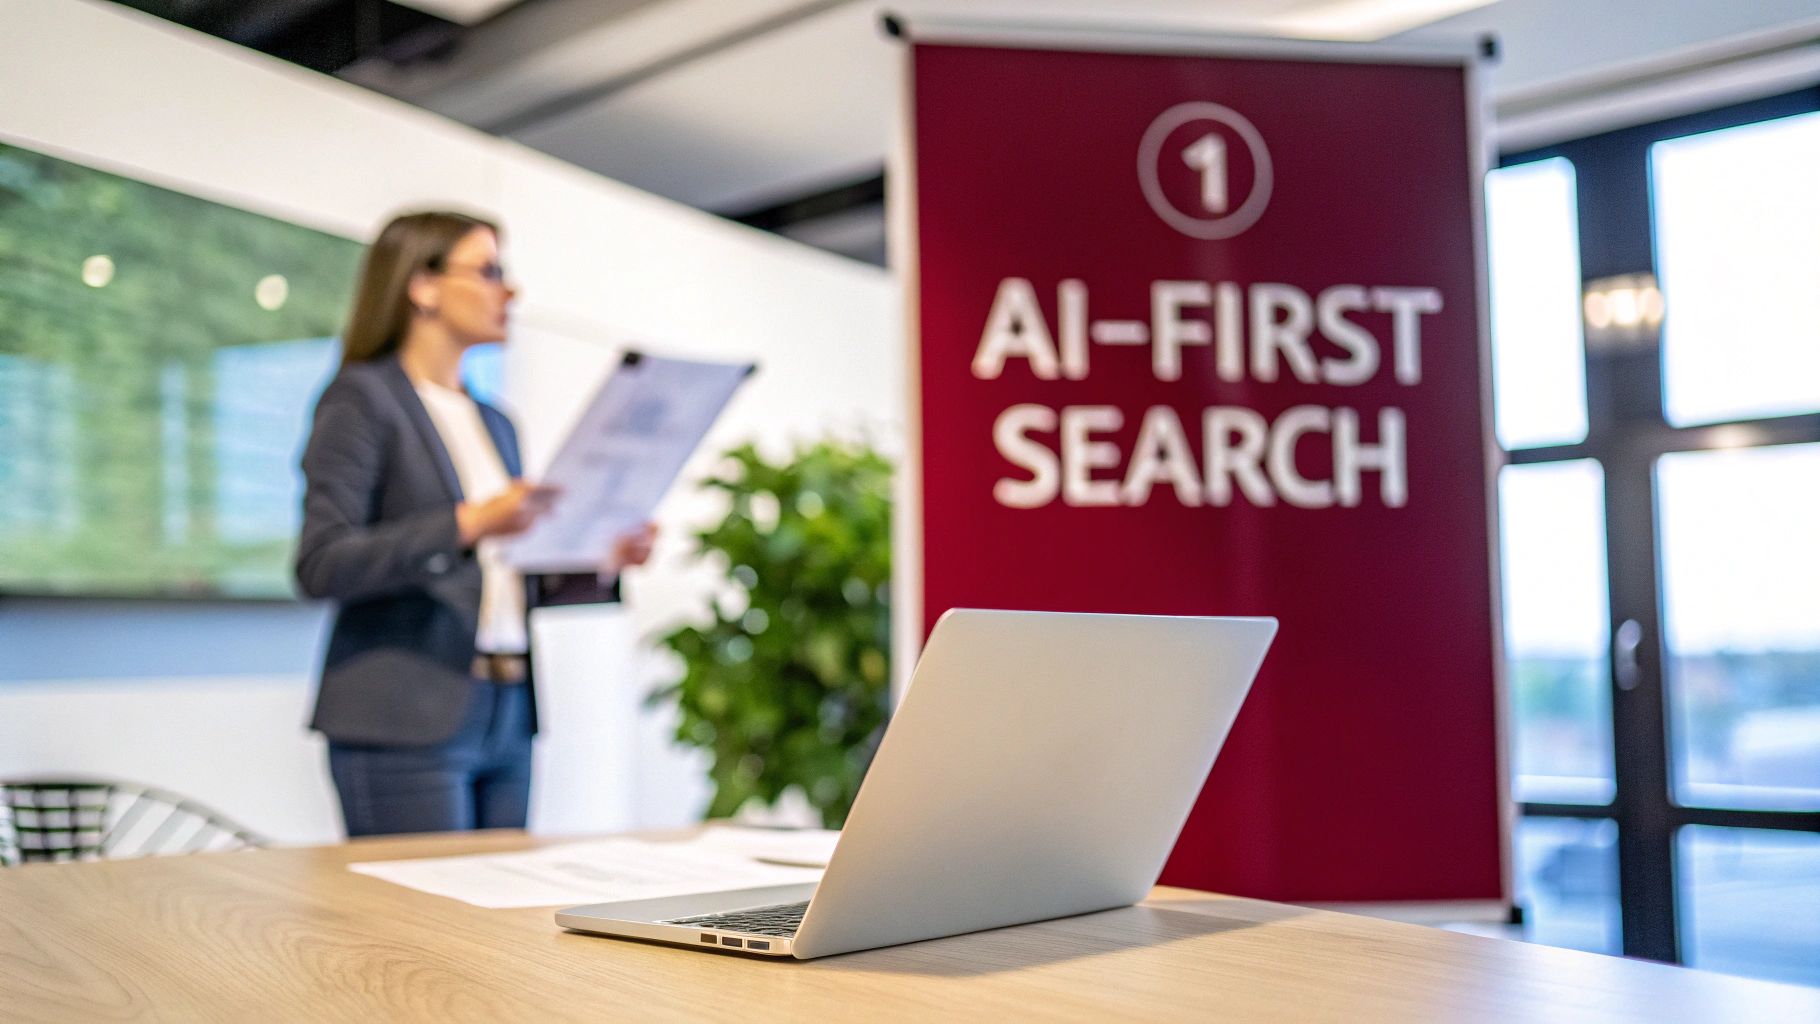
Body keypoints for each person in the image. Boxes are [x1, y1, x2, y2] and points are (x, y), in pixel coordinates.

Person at [295, 210, 654, 837]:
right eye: (488, 272)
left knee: (490, 925)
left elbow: (502, 578)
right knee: (418, 931)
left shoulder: (497, 424)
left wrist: (599, 558)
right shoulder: (362, 398)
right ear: (422, 285)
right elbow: (322, 562)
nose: (508, 292)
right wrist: (469, 522)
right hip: (403, 713)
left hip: (507, 709)